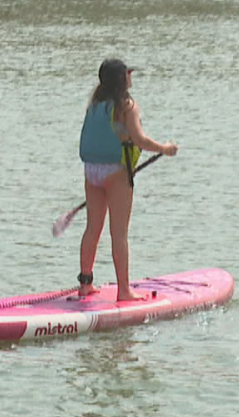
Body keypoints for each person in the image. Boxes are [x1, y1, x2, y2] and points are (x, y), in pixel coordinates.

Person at [76, 58, 178, 302]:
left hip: (92, 172)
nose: (132, 75)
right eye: (128, 72)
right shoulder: (127, 105)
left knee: (93, 228)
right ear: (121, 79)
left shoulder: (95, 104)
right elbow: (140, 140)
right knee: (119, 233)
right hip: (115, 173)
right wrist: (165, 148)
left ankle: (85, 285)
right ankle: (124, 291)